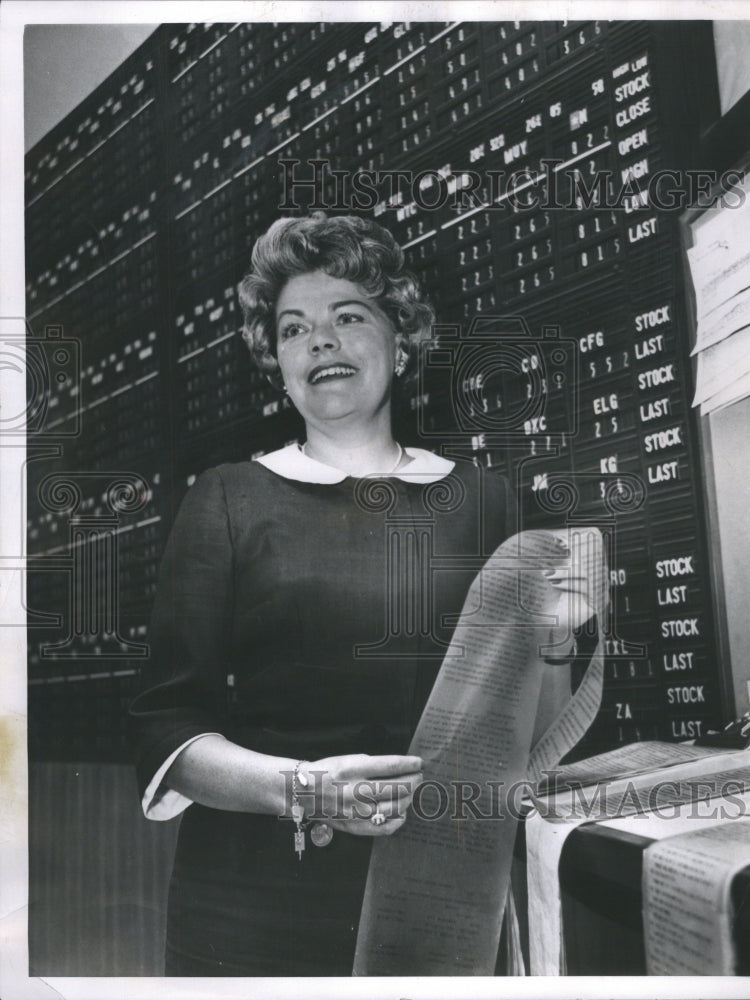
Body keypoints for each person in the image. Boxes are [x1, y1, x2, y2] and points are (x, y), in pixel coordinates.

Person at [129, 212, 581, 976]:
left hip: (444, 904)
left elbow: (526, 743)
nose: (321, 341)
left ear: (401, 340)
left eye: (347, 317)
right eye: (294, 329)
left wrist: (560, 637)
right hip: (255, 907)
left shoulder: (488, 502)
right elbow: (167, 728)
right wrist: (304, 790)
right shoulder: (227, 498)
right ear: (277, 362)